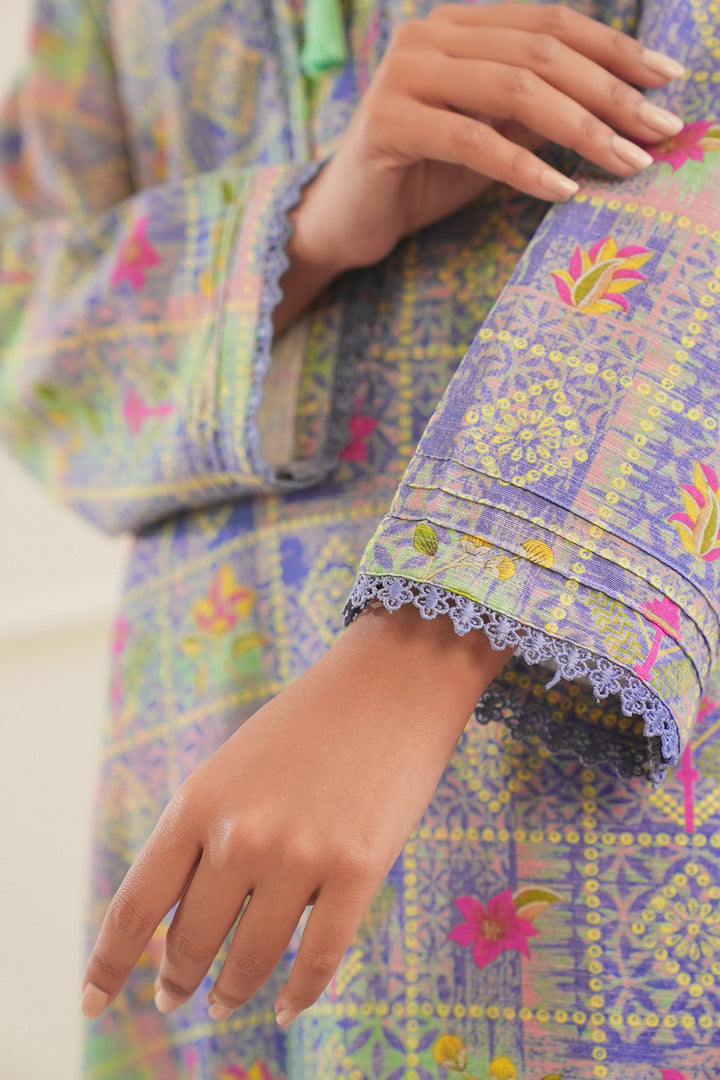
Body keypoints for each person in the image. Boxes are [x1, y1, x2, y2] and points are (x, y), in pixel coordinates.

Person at [1, 0, 719, 1077]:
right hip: (203, 717)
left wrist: (423, 644)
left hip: (577, 747)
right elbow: (24, 322)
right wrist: (305, 225)